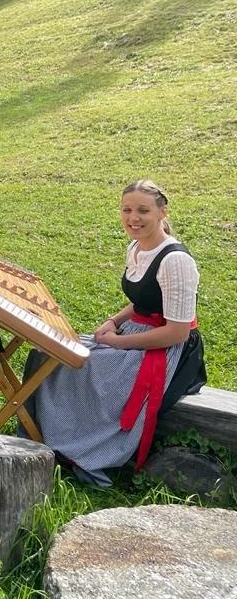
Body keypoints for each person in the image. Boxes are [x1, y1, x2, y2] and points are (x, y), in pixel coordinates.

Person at [23, 180, 205, 487]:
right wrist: (114, 321)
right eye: (127, 210)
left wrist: (119, 342)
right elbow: (141, 301)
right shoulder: (136, 247)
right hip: (138, 333)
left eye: (143, 210)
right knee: (52, 351)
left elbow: (176, 332)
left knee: (83, 366)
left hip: (167, 351)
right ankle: (49, 435)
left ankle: (80, 448)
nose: (133, 218)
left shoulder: (176, 261)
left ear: (163, 212)